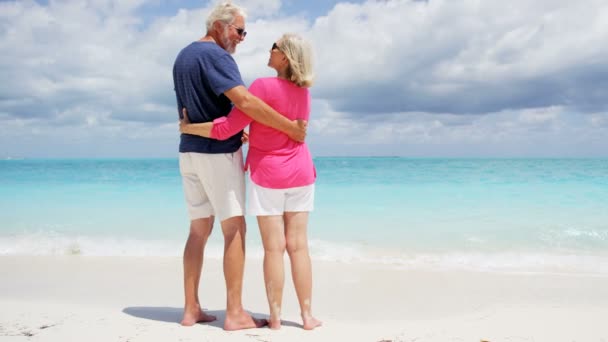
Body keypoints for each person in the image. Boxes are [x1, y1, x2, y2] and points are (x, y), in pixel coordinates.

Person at [172, 2, 306, 331]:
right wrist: (289, 127)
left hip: (189, 152)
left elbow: (204, 108)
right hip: (218, 153)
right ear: (219, 26)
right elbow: (244, 101)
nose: (243, 38)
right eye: (239, 30)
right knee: (234, 231)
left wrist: (235, 128)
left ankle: (191, 309)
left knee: (197, 231)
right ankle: (234, 313)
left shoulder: (182, 56)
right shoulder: (218, 56)